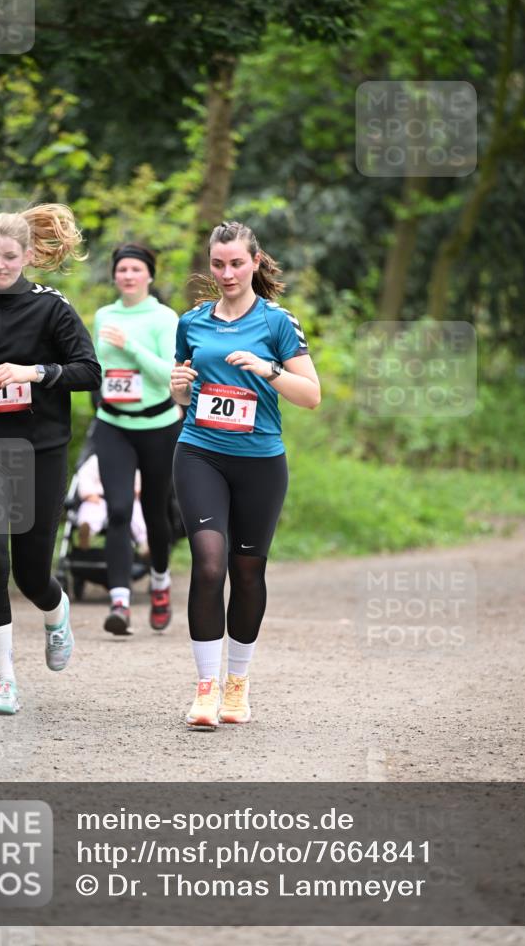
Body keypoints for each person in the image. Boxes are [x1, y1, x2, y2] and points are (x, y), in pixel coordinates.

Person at [0, 204, 101, 715]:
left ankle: (56, 611)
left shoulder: (52, 309)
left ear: (27, 256)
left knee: (30, 575)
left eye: (10, 256)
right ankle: (5, 681)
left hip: (40, 453)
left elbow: (88, 372)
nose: (0, 265)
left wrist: (35, 373)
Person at [170, 220, 321, 728]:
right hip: (200, 452)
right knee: (209, 565)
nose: (227, 273)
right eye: (218, 264)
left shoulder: (278, 323)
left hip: (259, 461)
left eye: (236, 263)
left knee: (247, 571)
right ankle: (206, 689)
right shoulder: (191, 322)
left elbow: (312, 396)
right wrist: (178, 387)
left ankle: (238, 685)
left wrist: (268, 370)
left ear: (256, 262)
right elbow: (184, 397)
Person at [93, 243, 183, 635]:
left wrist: (130, 346)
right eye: (122, 269)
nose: (128, 275)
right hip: (113, 423)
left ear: (149, 275)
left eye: (135, 269)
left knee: (155, 512)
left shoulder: (164, 318)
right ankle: (120, 602)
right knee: (116, 510)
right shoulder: (103, 315)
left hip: (158, 425)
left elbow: (169, 374)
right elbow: (98, 368)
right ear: (114, 275)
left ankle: (160, 582)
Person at [75, 454, 148, 558]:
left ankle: (144, 541)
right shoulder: (95, 460)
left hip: (126, 499)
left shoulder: (131, 461)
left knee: (137, 512)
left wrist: (137, 490)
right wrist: (89, 494)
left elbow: (138, 482)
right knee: (91, 509)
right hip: (99, 497)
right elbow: (84, 476)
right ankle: (87, 531)